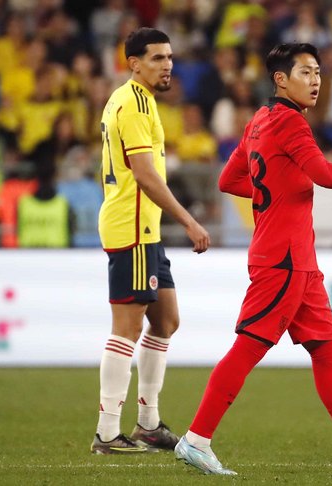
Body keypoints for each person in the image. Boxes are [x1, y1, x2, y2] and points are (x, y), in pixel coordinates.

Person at [173, 43, 332, 475]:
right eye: (306, 72)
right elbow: (323, 173)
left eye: (318, 72)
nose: (316, 80)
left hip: (297, 260)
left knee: (326, 350)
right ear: (280, 79)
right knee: (249, 347)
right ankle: (196, 439)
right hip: (282, 260)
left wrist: (273, 192)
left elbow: (231, 180)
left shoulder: (259, 122)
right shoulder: (291, 123)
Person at [91, 28, 210, 454]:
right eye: (157, 58)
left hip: (146, 229)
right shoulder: (135, 103)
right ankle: (107, 432)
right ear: (134, 63)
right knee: (126, 328)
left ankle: (148, 423)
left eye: (170, 57)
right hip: (134, 226)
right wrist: (190, 222)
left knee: (166, 321)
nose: (168, 65)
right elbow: (144, 173)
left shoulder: (131, 99)